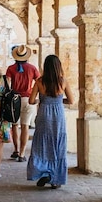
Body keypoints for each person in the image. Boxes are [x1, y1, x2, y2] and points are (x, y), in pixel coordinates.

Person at [27, 54, 75, 189]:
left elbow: (31, 101)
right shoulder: (63, 82)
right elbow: (71, 101)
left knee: (42, 143)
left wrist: (41, 101)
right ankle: (55, 179)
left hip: (43, 114)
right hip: (58, 115)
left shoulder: (39, 81)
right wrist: (59, 101)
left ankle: (42, 172)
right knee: (57, 144)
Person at [5, 44, 40, 162]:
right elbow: (39, 81)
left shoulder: (10, 69)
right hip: (28, 100)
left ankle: (15, 150)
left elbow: (7, 84)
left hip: (14, 100)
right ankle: (22, 153)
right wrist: (34, 94)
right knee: (25, 126)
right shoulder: (32, 68)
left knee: (14, 126)